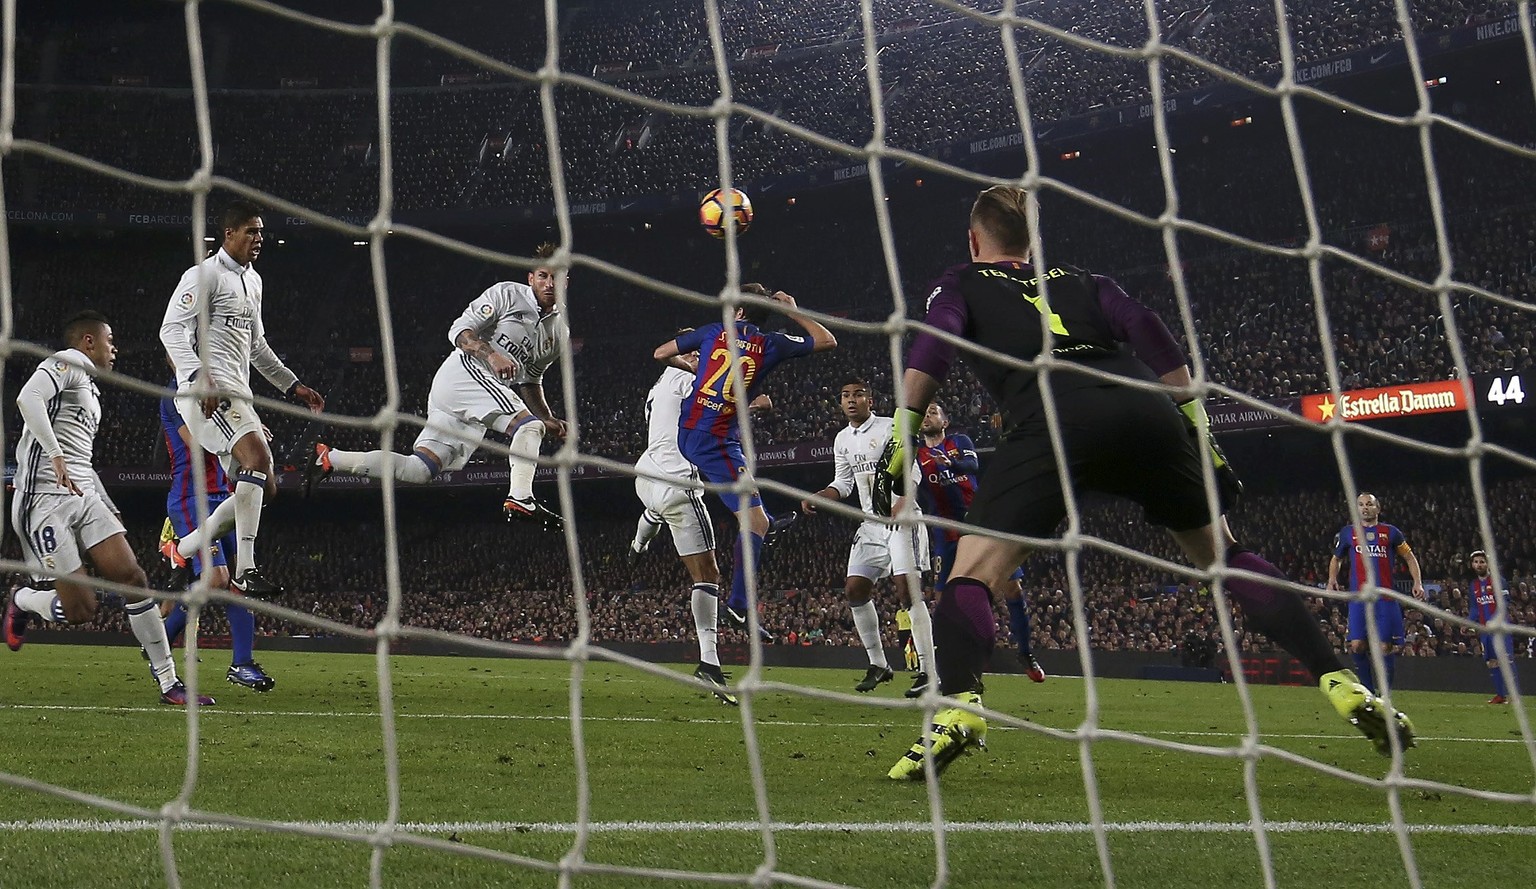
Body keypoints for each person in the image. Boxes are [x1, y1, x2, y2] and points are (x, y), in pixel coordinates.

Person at [879, 185, 1414, 780]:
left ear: (975, 240)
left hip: (1053, 414)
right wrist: (1196, 426)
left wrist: (902, 432)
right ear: (1030, 242)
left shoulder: (960, 279)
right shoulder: (1086, 279)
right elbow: (1148, 326)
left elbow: (937, 341)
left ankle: (959, 709)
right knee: (1226, 556)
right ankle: (1338, 679)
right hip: (1146, 410)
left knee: (973, 573)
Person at [4, 311, 214, 706]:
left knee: (134, 579)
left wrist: (107, 502)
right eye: (109, 340)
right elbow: (27, 397)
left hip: (83, 494)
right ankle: (22, 600)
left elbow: (81, 460)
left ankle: (170, 683)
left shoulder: (91, 392)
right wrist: (54, 454)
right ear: (87, 342)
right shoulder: (69, 362)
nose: (114, 348)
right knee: (82, 610)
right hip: (43, 501)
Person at [306, 243, 569, 529]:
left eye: (556, 277)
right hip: (465, 375)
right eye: (543, 275)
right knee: (528, 427)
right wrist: (491, 355)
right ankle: (521, 497)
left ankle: (328, 458)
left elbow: (531, 379)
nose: (549, 283)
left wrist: (547, 417)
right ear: (531, 278)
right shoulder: (507, 294)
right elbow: (459, 330)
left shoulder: (558, 332)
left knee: (421, 469)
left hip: (474, 399)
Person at [653, 285, 836, 644]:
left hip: (692, 431)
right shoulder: (772, 343)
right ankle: (738, 604)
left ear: (737, 311)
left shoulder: (712, 331)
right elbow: (827, 340)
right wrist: (792, 308)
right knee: (754, 521)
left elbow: (659, 352)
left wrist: (695, 373)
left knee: (757, 517)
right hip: (715, 439)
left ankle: (759, 535)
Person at [159, 201, 326, 596]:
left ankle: (183, 547)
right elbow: (171, 330)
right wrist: (200, 376)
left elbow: (257, 346)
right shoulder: (203, 275)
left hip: (240, 392)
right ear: (229, 234)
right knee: (258, 458)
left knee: (263, 487)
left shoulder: (254, 281)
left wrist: (292, 385)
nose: (259, 238)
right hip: (208, 392)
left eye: (262, 232)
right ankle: (246, 571)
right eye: (251, 231)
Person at [628, 335, 768, 706]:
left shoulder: (659, 385)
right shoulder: (690, 379)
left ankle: (640, 538)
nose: (698, 357)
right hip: (678, 484)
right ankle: (708, 662)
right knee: (708, 576)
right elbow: (723, 403)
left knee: (659, 511)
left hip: (645, 476)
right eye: (692, 352)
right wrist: (755, 404)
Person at [801, 379, 931, 695]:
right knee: (855, 590)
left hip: (902, 520)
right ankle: (879, 664)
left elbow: (912, 469)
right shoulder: (843, 439)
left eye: (858, 395)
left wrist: (901, 503)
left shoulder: (889, 428)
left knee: (907, 592)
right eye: (845, 395)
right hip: (870, 524)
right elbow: (843, 483)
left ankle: (930, 670)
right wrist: (821, 495)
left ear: (870, 401)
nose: (851, 400)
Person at [156, 378, 274, 692]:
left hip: (224, 496)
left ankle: (242, 663)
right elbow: (197, 442)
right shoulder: (175, 394)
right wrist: (244, 438)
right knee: (216, 579)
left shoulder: (223, 387)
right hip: (191, 498)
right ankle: (160, 643)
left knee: (240, 580)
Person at [916, 399, 1044, 683]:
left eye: (934, 412)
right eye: (924, 413)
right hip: (945, 530)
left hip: (981, 523)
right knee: (941, 599)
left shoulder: (959, 441)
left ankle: (1024, 651)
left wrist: (951, 463)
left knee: (1012, 588)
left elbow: (972, 465)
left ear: (945, 421)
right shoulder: (917, 454)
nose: (927, 416)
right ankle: (945, 666)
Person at [1326, 492, 1425, 694]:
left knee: (1384, 648)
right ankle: (1368, 691)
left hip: (1385, 598)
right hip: (1359, 598)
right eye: (1361, 504)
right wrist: (1331, 580)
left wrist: (1418, 582)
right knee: (1357, 645)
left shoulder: (1391, 532)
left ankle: (1385, 695)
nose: (1365, 508)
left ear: (1377, 508)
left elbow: (1409, 557)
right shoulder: (1348, 533)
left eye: (1369, 504)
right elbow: (1336, 559)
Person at [1468, 550, 1519, 704]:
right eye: (1476, 562)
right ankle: (1500, 695)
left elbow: (1504, 603)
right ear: (1472, 565)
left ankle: (1514, 696)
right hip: (1485, 631)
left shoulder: (1498, 581)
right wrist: (1468, 622)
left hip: (1500, 628)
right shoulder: (1474, 585)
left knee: (1506, 660)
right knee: (1491, 662)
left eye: (1482, 561)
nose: (1479, 564)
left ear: (1488, 564)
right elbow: (1475, 608)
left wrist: (1495, 621)